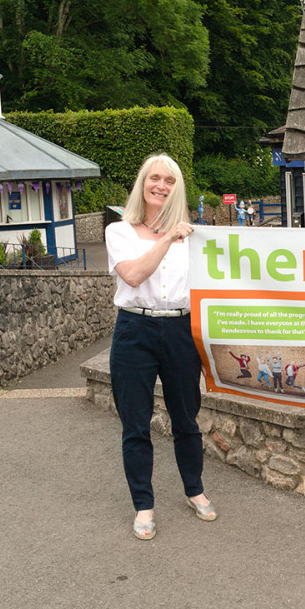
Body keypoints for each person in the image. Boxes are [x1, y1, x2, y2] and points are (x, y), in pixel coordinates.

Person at [105, 153, 217, 541]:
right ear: (143, 183)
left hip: (181, 332)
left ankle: (194, 490)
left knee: (186, 418)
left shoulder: (195, 237)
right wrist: (168, 237)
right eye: (154, 178)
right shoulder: (120, 232)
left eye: (169, 181)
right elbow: (133, 275)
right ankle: (143, 506)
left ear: (177, 187)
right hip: (135, 330)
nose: (161, 186)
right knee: (135, 424)